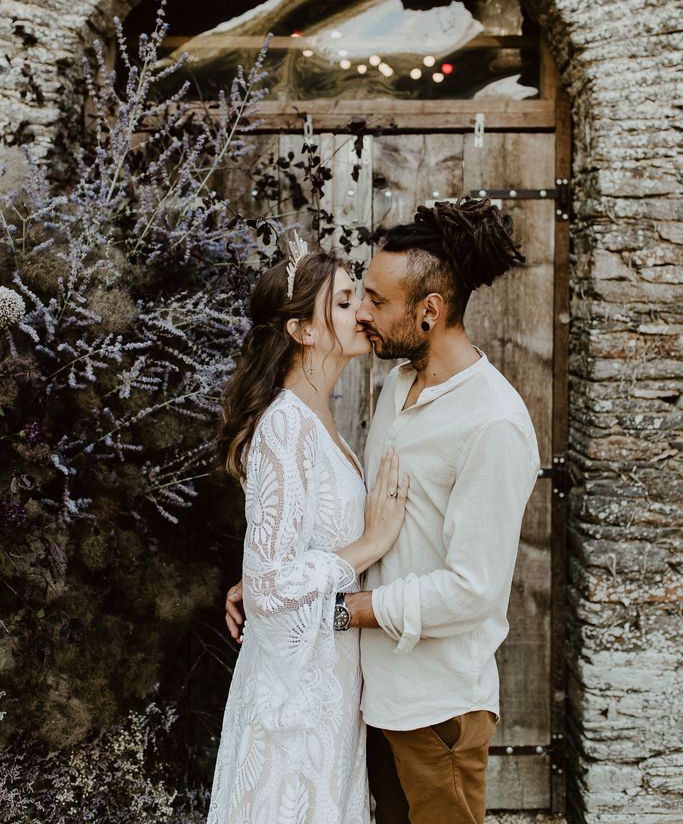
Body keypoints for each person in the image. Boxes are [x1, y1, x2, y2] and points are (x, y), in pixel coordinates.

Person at [226, 195, 540, 824]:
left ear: (429, 312)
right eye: (354, 297)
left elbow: (473, 591)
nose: (364, 313)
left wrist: (341, 611)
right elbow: (359, 526)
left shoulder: (494, 423)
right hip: (369, 702)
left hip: (436, 710)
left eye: (374, 300)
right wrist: (273, 579)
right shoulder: (397, 388)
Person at [206, 241, 409, 824]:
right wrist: (369, 544)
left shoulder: (322, 420)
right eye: (345, 303)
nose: (363, 314)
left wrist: (268, 579)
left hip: (328, 689)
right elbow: (269, 588)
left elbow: (277, 568)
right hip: (294, 706)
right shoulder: (285, 426)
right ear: (301, 330)